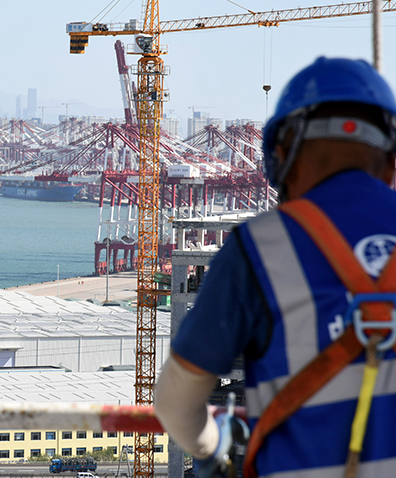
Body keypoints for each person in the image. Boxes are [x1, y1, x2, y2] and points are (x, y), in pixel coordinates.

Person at [155, 57, 396, 478]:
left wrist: (217, 450)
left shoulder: (259, 248)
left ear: (280, 156)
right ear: (391, 160)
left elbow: (176, 403)